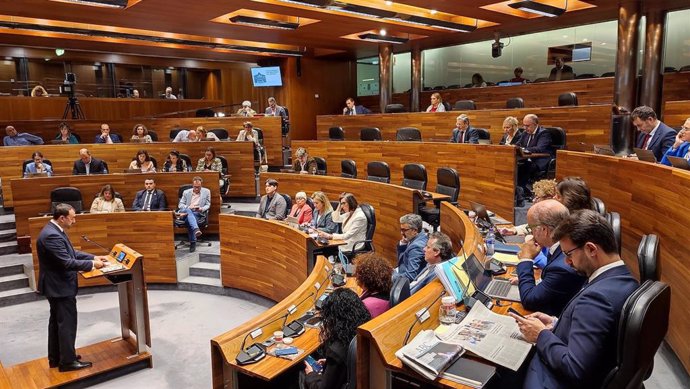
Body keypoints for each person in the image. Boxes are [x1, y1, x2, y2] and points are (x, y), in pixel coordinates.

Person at [511, 210, 639, 389]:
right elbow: (599, 337)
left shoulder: (598, 298)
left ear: (591, 249)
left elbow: (574, 367)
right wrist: (557, 324)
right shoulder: (624, 278)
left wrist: (541, 334)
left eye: (569, 254)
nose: (567, 262)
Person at [37, 204, 109, 372]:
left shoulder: (54, 230)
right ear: (62, 218)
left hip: (56, 286)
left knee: (57, 323)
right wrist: (93, 264)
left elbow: (71, 253)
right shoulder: (51, 236)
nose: (74, 220)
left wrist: (93, 256)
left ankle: (58, 357)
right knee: (66, 324)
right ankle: (67, 362)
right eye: (72, 217)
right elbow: (67, 262)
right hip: (59, 287)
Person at [510, 200, 586, 316]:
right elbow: (553, 283)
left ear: (544, 230)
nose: (531, 233)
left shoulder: (564, 264)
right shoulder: (560, 248)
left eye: (531, 228)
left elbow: (529, 301)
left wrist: (526, 259)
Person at [303, 288, 370, 389]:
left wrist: (310, 374)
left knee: (298, 374)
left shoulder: (336, 350)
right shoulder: (362, 332)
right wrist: (329, 364)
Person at [516, 114, 554, 193]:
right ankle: (518, 189)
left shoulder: (544, 133)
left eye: (527, 126)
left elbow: (539, 149)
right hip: (527, 159)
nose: (525, 128)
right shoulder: (525, 133)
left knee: (524, 166)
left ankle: (520, 190)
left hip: (540, 160)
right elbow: (518, 145)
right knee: (516, 165)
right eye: (524, 125)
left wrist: (524, 149)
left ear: (535, 124)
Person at [176, 176, 211, 252]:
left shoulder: (206, 191)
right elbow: (180, 205)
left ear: (201, 185)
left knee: (189, 219)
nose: (196, 189)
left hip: (197, 213)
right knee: (188, 211)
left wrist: (201, 208)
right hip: (184, 213)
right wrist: (189, 207)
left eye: (198, 187)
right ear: (192, 185)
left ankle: (193, 241)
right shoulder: (186, 192)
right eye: (195, 187)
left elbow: (208, 205)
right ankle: (195, 233)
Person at [354, 253, 393, 318]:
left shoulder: (367, 306)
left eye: (358, 276)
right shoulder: (384, 288)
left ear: (366, 279)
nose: (356, 278)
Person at [394, 213, 428, 282]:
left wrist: (391, 277)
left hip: (403, 279)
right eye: (401, 229)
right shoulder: (420, 235)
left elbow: (410, 276)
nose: (401, 233)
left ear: (415, 230)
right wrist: (403, 243)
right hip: (401, 270)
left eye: (404, 230)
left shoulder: (416, 247)